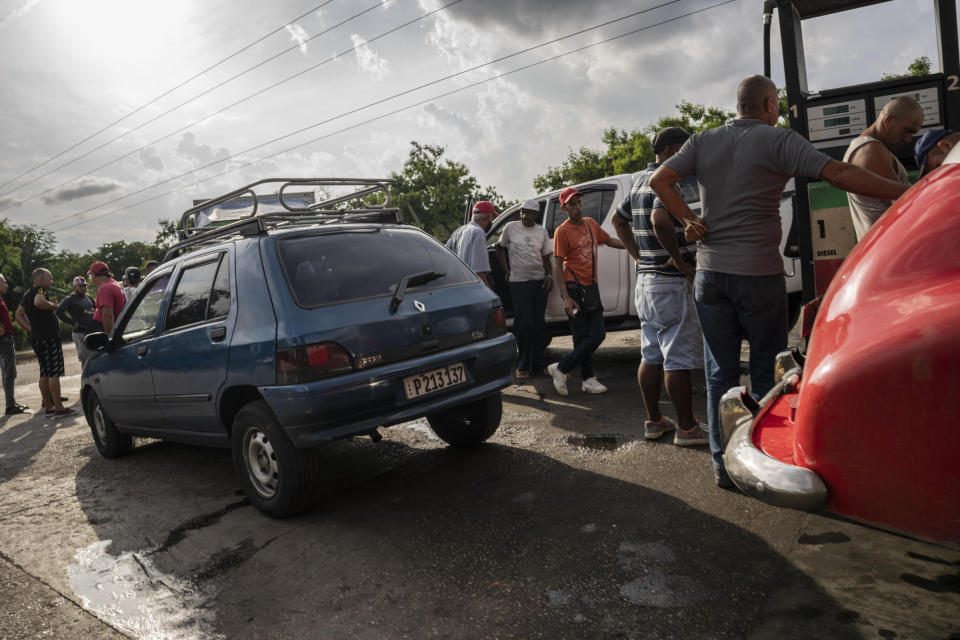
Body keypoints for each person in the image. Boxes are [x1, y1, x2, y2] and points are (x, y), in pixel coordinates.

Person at [650, 74, 911, 487]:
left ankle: (722, 466)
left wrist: (690, 219)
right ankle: (760, 465)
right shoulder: (780, 140)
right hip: (758, 275)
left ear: (739, 105)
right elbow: (840, 175)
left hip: (710, 275)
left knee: (719, 374)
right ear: (769, 104)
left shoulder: (702, 140)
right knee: (764, 373)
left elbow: (658, 180)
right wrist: (907, 192)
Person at [612, 127, 707, 446]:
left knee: (650, 354)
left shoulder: (639, 180)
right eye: (685, 149)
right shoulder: (668, 180)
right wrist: (681, 262)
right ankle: (687, 428)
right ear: (671, 149)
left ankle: (654, 421)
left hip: (647, 283)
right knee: (677, 357)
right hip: (670, 282)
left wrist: (638, 256)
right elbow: (660, 220)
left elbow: (618, 221)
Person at [547, 186, 625, 396]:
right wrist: (565, 297)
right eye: (572, 204)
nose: (577, 207)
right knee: (580, 337)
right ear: (564, 208)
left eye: (579, 202)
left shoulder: (591, 224)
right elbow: (556, 265)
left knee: (597, 333)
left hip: (591, 287)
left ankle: (562, 367)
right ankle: (588, 379)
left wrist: (633, 245)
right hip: (573, 287)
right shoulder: (562, 231)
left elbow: (608, 240)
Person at [842, 96, 922, 240]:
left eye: (913, 133)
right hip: (892, 250)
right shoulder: (870, 151)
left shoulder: (870, 148)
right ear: (888, 120)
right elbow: (905, 206)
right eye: (906, 130)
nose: (908, 139)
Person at [496, 199, 553, 379]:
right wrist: (507, 271)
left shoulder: (541, 231)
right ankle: (523, 365)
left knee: (538, 325)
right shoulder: (511, 228)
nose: (524, 216)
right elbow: (499, 248)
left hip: (538, 282)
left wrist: (549, 276)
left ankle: (537, 365)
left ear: (536, 215)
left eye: (528, 213)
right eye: (522, 212)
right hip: (519, 283)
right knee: (524, 324)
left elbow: (546, 257)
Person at [14, 268, 75, 416]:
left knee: (45, 372)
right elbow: (39, 302)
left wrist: (31, 329)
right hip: (49, 337)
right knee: (54, 372)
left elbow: (18, 315)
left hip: (38, 337)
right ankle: (59, 407)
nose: (52, 281)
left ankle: (48, 406)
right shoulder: (40, 290)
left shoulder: (27, 294)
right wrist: (55, 306)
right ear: (41, 279)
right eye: (50, 278)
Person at [445, 201, 497, 287]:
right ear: (488, 217)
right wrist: (490, 293)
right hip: (472, 285)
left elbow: (444, 253)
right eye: (492, 217)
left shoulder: (459, 230)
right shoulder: (478, 233)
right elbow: (478, 271)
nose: (491, 221)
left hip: (457, 283)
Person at [56, 276, 101, 365]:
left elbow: (96, 309)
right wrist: (73, 323)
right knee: (86, 360)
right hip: (80, 332)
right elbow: (59, 312)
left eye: (84, 286)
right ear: (74, 287)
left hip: (92, 331)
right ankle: (86, 378)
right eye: (80, 286)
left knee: (96, 357)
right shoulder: (70, 299)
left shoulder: (88, 296)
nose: (83, 288)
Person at [0, 275, 27, 415]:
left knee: (8, 374)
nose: (7, 285)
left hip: (5, 339)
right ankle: (10, 405)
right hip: (3, 340)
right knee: (9, 374)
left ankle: (11, 402)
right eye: (4, 282)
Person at [87, 261, 125, 337]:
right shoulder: (115, 283)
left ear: (94, 275)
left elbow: (108, 315)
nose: (92, 279)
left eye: (91, 276)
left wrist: (109, 338)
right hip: (118, 327)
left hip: (106, 331)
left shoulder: (105, 288)